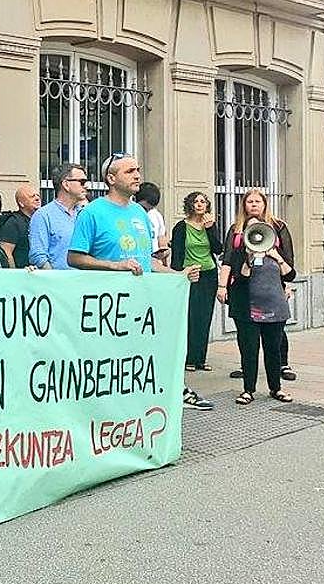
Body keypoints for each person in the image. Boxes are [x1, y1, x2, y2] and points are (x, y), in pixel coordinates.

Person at [68, 153, 214, 411]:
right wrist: (115, 266)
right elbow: (74, 257)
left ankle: (165, 396)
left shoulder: (140, 213)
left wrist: (178, 275)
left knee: (149, 355)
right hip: (108, 309)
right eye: (129, 171)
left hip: (141, 305)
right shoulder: (92, 212)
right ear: (111, 178)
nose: (137, 175)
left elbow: (148, 261)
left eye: (138, 169)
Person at [218, 188, 299, 385]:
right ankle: (247, 370)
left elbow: (288, 258)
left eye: (257, 201)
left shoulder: (278, 226)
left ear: (264, 204)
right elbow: (227, 259)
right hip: (244, 286)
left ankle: (282, 364)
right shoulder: (236, 229)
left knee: (275, 331)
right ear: (244, 205)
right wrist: (222, 286)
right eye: (250, 201)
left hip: (271, 286)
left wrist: (287, 285)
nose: (253, 205)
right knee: (247, 333)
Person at [170, 191, 223, 372]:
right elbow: (177, 254)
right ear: (190, 205)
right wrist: (177, 276)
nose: (200, 204)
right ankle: (189, 358)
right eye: (196, 201)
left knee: (205, 316)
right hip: (190, 274)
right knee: (191, 316)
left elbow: (218, 249)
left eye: (203, 201)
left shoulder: (210, 225)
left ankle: (201, 358)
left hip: (209, 273)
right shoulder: (181, 227)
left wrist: (210, 229)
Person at [28, 163, 87, 269]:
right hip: (58, 278)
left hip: (86, 278)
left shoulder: (85, 214)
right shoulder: (43, 215)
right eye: (82, 182)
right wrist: (54, 278)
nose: (86, 186)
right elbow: (38, 257)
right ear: (66, 184)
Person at [0, 183, 40, 268]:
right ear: (21, 203)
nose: (37, 198)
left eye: (37, 195)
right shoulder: (13, 222)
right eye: (32, 196)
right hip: (22, 272)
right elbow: (6, 252)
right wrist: (14, 273)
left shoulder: (40, 220)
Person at [135, 182, 170, 262]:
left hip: (154, 262)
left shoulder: (156, 215)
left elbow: (162, 243)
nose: (146, 212)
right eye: (144, 208)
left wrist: (163, 254)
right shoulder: (129, 214)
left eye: (150, 209)